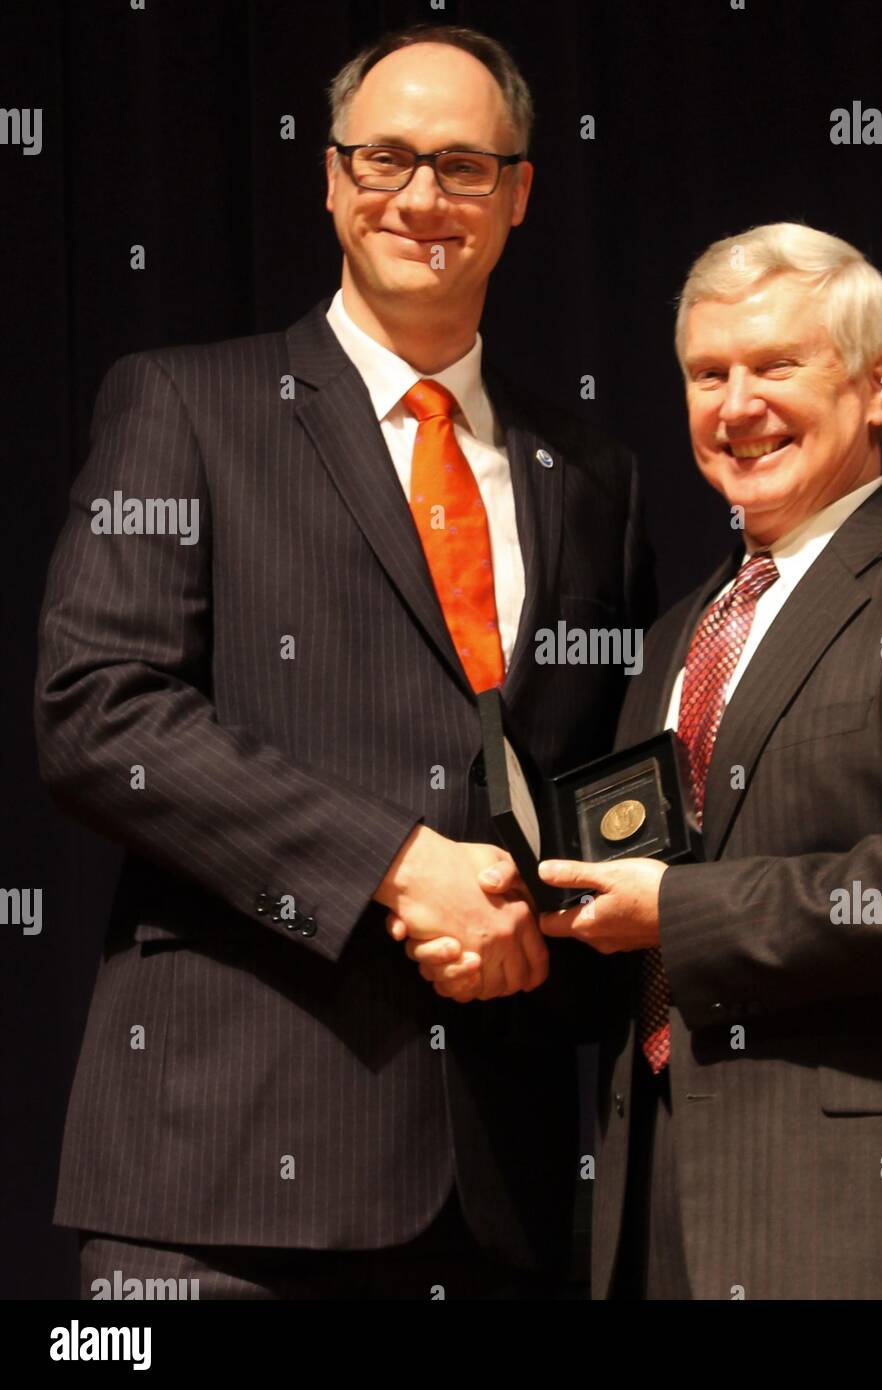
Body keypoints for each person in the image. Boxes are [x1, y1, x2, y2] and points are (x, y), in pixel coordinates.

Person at [35, 23, 652, 1299]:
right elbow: (101, 713)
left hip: (502, 1180)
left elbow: (597, 776)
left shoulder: (593, 470)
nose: (421, 197)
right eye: (383, 160)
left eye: (464, 166)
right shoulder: (183, 405)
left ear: (521, 191)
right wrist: (390, 864)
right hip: (223, 1172)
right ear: (328, 179)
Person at [528, 222, 882, 1298]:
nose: (736, 405)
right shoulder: (671, 635)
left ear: (878, 388)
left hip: (879, 1228)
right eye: (707, 373)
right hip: (653, 1220)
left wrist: (675, 911)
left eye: (776, 365)